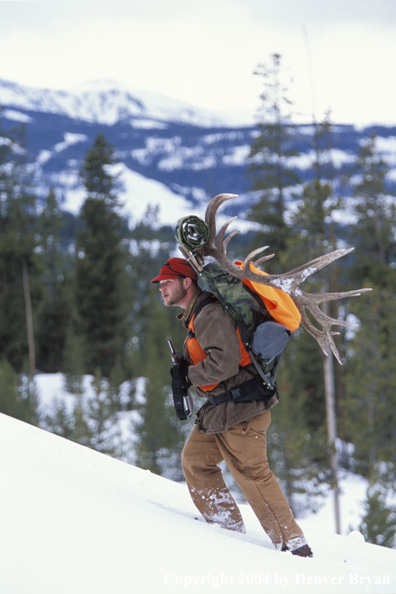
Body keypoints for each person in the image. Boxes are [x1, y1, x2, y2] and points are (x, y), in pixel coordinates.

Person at [151, 257, 313, 557]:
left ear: (187, 282)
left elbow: (223, 363)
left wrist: (189, 375)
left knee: (253, 473)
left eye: (168, 282)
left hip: (242, 410)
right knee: (196, 460)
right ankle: (225, 529)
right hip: (220, 410)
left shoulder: (208, 313)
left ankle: (295, 547)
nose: (162, 287)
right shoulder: (195, 314)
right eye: (160, 283)